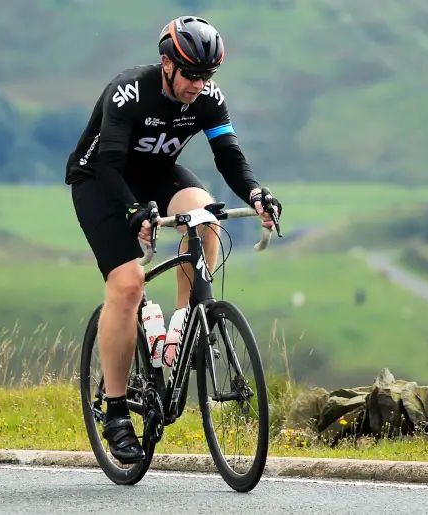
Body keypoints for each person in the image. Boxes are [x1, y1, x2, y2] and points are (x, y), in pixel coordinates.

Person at [66, 15, 281, 464]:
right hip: (101, 182)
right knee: (127, 285)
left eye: (207, 76)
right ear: (166, 64)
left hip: (157, 176)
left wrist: (257, 194)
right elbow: (108, 165)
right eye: (191, 75)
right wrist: (132, 212)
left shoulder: (207, 98)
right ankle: (118, 412)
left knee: (205, 217)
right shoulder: (129, 91)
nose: (199, 85)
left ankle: (184, 326)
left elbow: (229, 157)